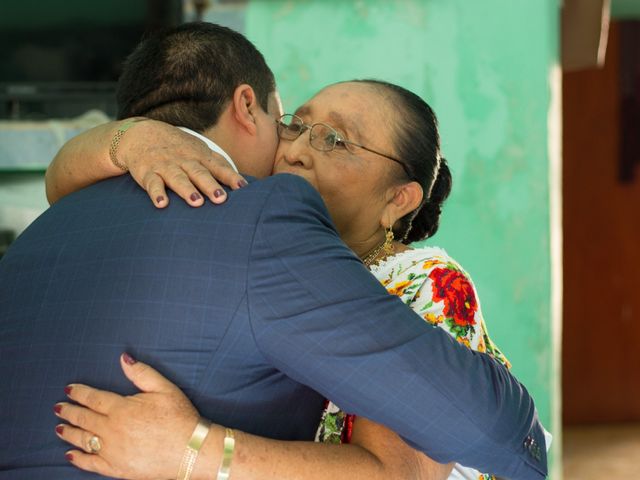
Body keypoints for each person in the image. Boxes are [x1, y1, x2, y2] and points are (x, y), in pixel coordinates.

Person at [0, 22, 547, 480]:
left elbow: (410, 466)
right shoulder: (261, 229)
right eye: (297, 125)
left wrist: (193, 448)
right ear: (249, 108)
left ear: (398, 200)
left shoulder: (419, 281)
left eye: (336, 139)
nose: (302, 148)